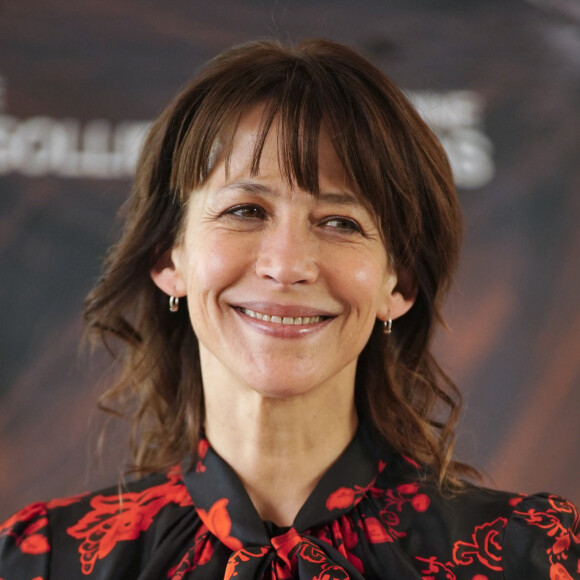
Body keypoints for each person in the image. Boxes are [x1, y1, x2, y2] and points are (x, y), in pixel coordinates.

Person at [0, 38, 578, 580]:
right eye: (245, 211)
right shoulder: (43, 560)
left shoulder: (531, 556)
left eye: (339, 222)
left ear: (397, 286)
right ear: (166, 257)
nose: (287, 264)